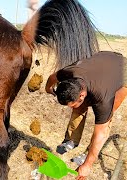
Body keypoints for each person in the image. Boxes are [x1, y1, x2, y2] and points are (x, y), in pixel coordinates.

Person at [45, 51, 127, 179]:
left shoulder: (103, 98)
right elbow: (52, 78)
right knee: (79, 108)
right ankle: (72, 140)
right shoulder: (69, 73)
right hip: (102, 60)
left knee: (106, 117)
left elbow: (101, 132)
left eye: (71, 104)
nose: (70, 108)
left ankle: (87, 153)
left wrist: (87, 165)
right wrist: (48, 89)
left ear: (82, 95)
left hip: (122, 72)